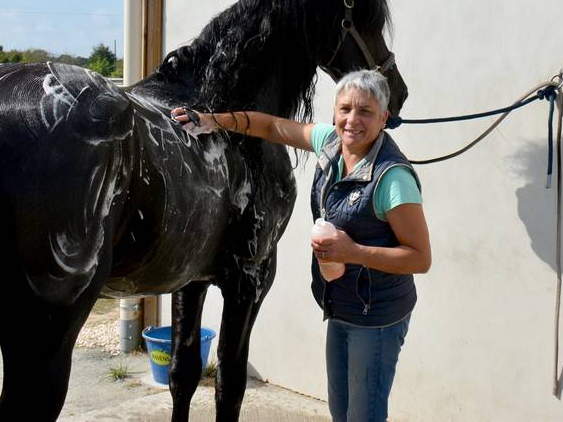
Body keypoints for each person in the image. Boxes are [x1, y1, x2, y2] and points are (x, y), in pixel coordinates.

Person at [171, 69, 431, 422]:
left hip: (377, 318)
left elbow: (420, 258)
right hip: (340, 307)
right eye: (345, 109)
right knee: (341, 411)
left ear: (384, 118)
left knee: (363, 416)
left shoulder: (392, 179)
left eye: (365, 111)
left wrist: (352, 252)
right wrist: (214, 121)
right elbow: (272, 127)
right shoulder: (330, 142)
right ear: (335, 112)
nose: (352, 120)